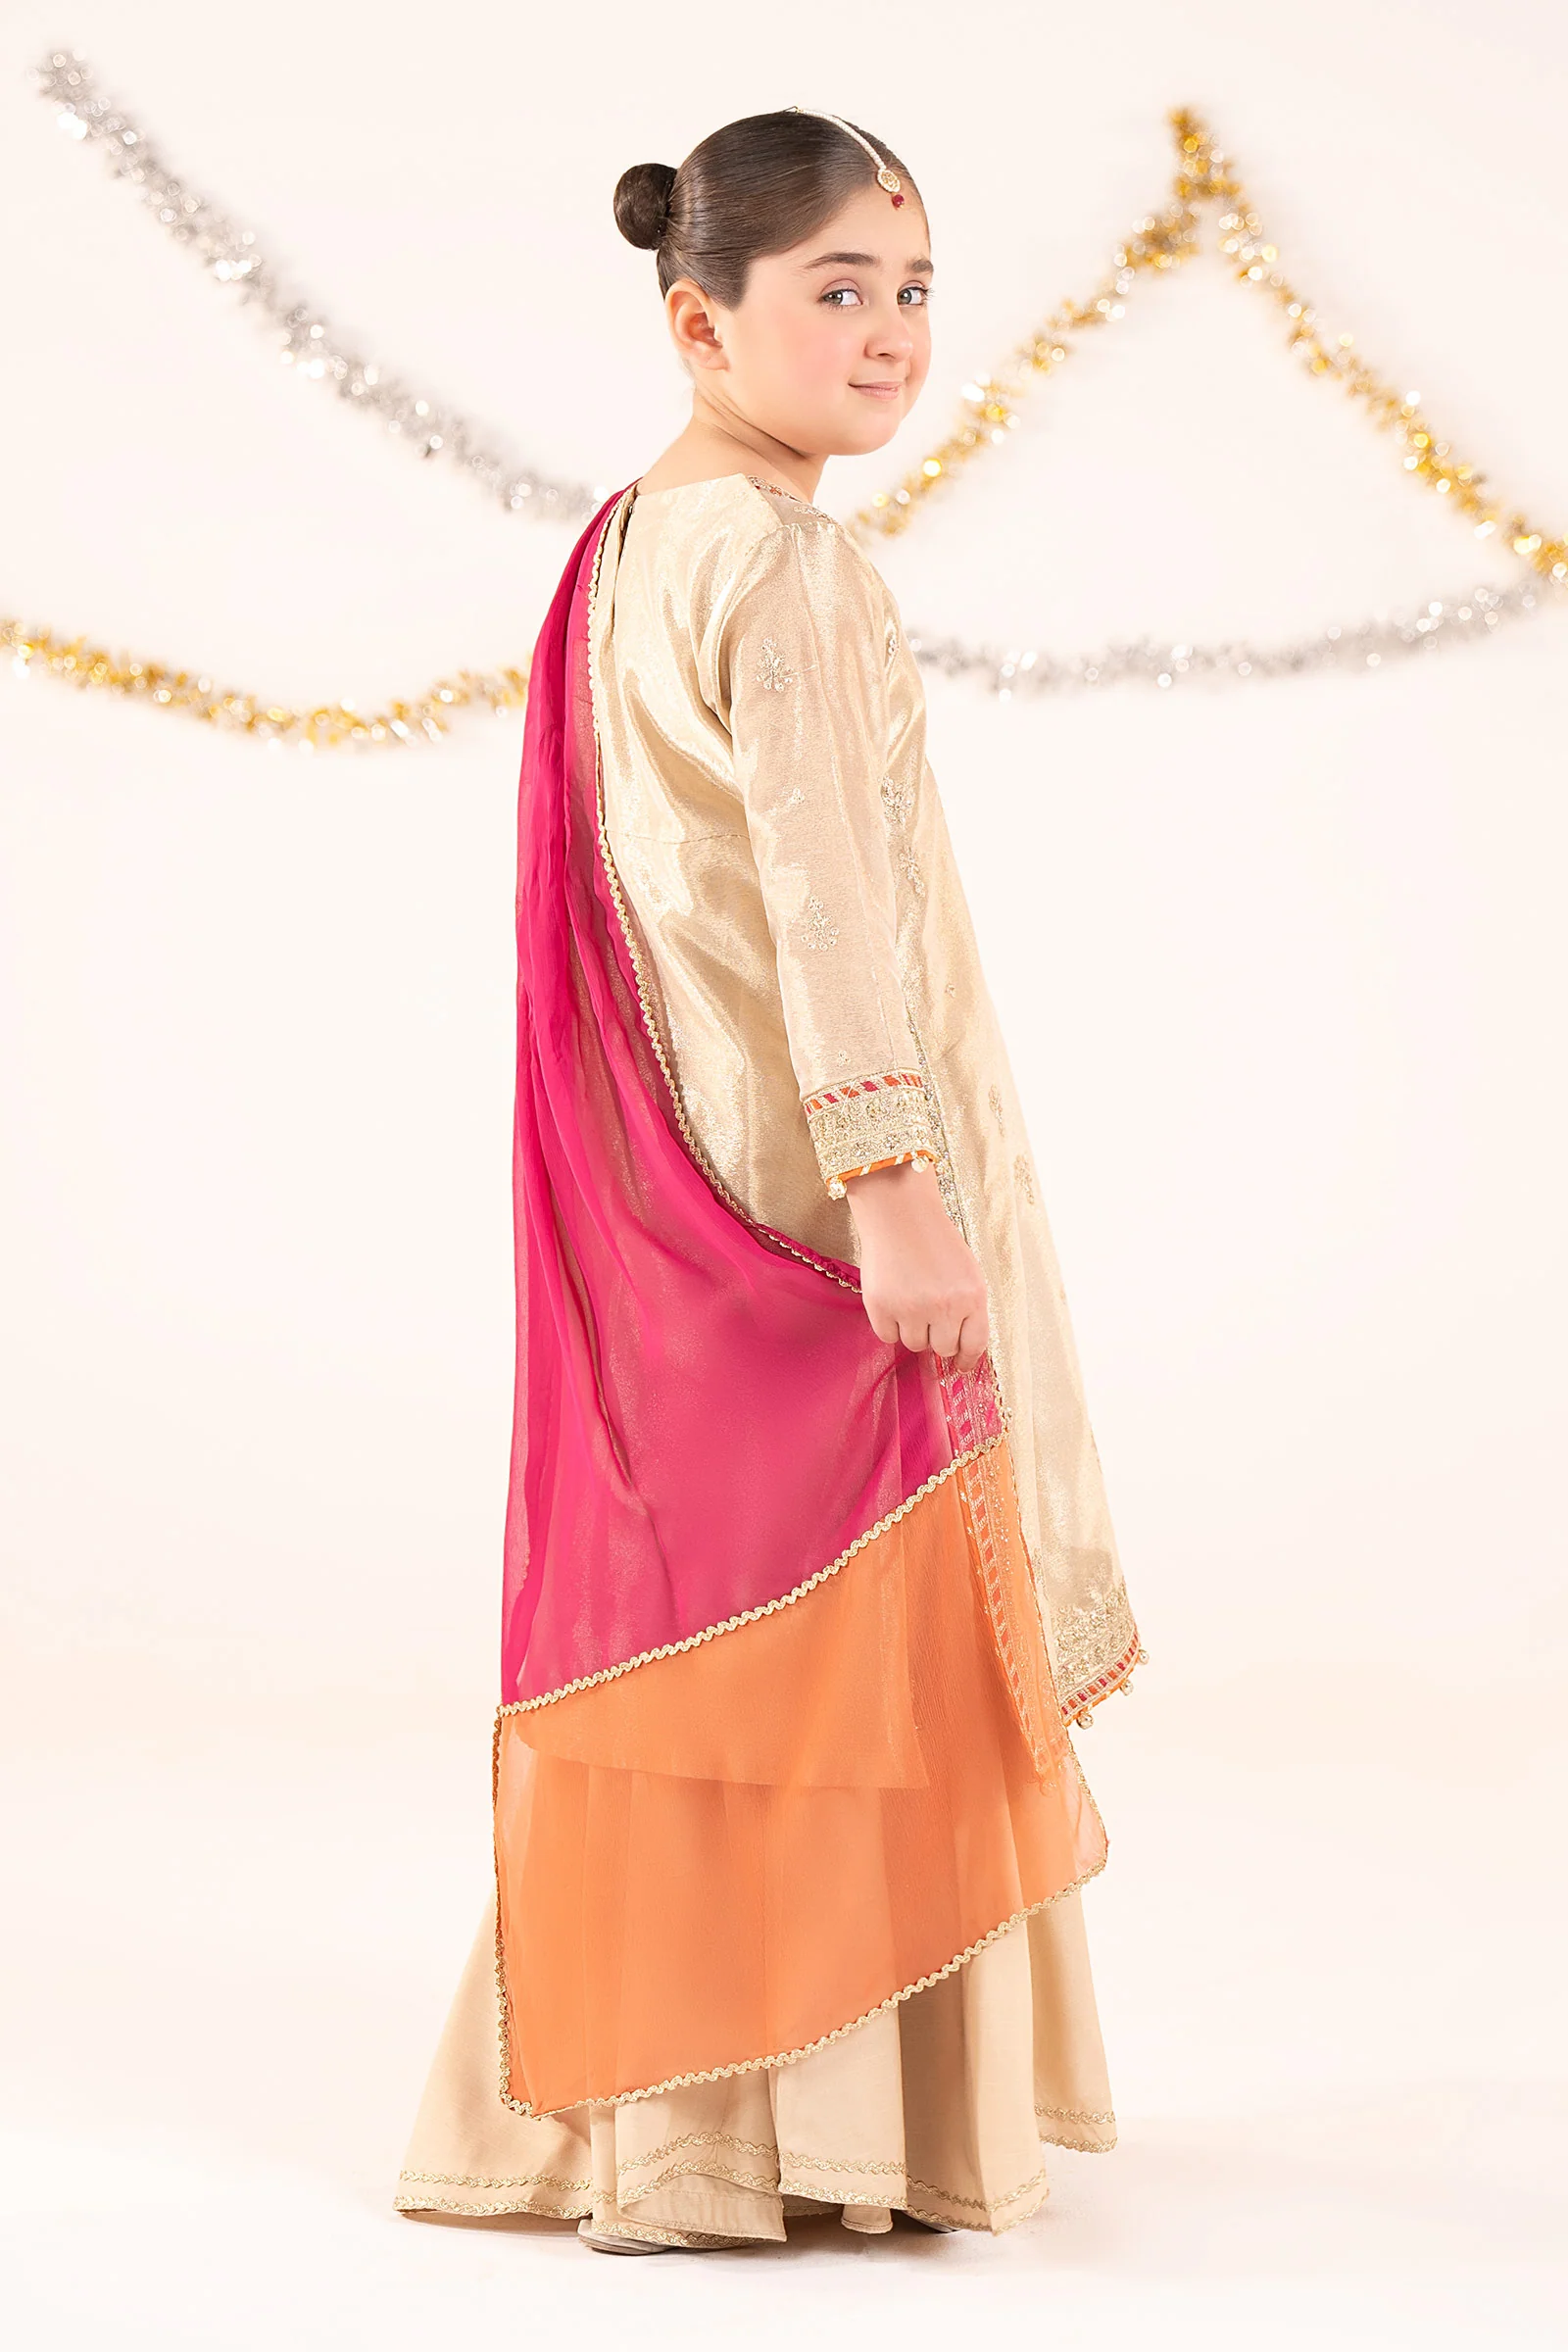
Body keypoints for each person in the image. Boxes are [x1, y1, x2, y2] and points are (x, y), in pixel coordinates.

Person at [395, 104, 1142, 2255]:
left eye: (912, 289)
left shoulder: (632, 542)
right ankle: (837, 2134)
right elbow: (820, 899)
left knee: (718, 1622)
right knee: (846, 1632)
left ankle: (686, 2129)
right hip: (808, 1193)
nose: (892, 332)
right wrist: (895, 1182)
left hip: (677, 1179)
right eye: (837, 291)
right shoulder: (789, 562)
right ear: (699, 320)